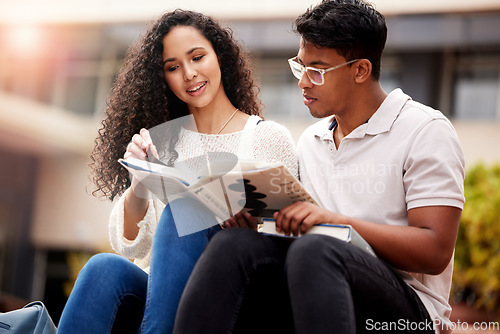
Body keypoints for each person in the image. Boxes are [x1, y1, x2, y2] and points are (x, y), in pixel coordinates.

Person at [173, 1, 465, 333]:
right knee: (233, 246)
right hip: (318, 289)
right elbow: (302, 232)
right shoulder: (312, 140)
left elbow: (434, 250)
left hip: (406, 314)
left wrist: (338, 222)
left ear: (360, 70)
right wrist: (255, 223)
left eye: (317, 70)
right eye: (301, 67)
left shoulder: (425, 130)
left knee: (318, 248)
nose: (303, 82)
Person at [57, 9, 298, 334]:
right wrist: (140, 184)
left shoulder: (268, 138)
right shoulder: (163, 143)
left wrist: (250, 231)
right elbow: (130, 247)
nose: (189, 74)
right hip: (159, 298)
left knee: (185, 208)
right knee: (103, 267)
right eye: (173, 67)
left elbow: (289, 237)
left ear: (220, 57)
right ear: (163, 79)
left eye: (197, 57)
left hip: (235, 295)